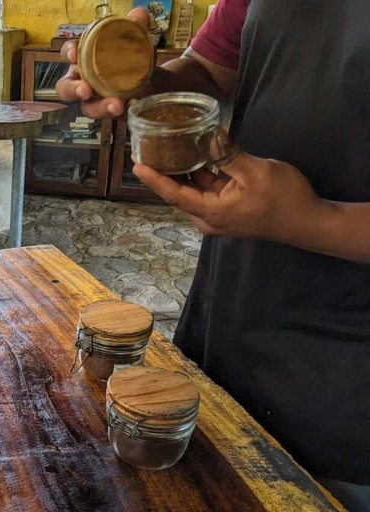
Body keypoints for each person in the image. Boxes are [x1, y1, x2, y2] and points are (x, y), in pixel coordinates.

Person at [57, 2, 369, 510]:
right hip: (235, 308)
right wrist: (138, 80)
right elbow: (207, 70)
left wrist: (311, 220)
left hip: (346, 380)